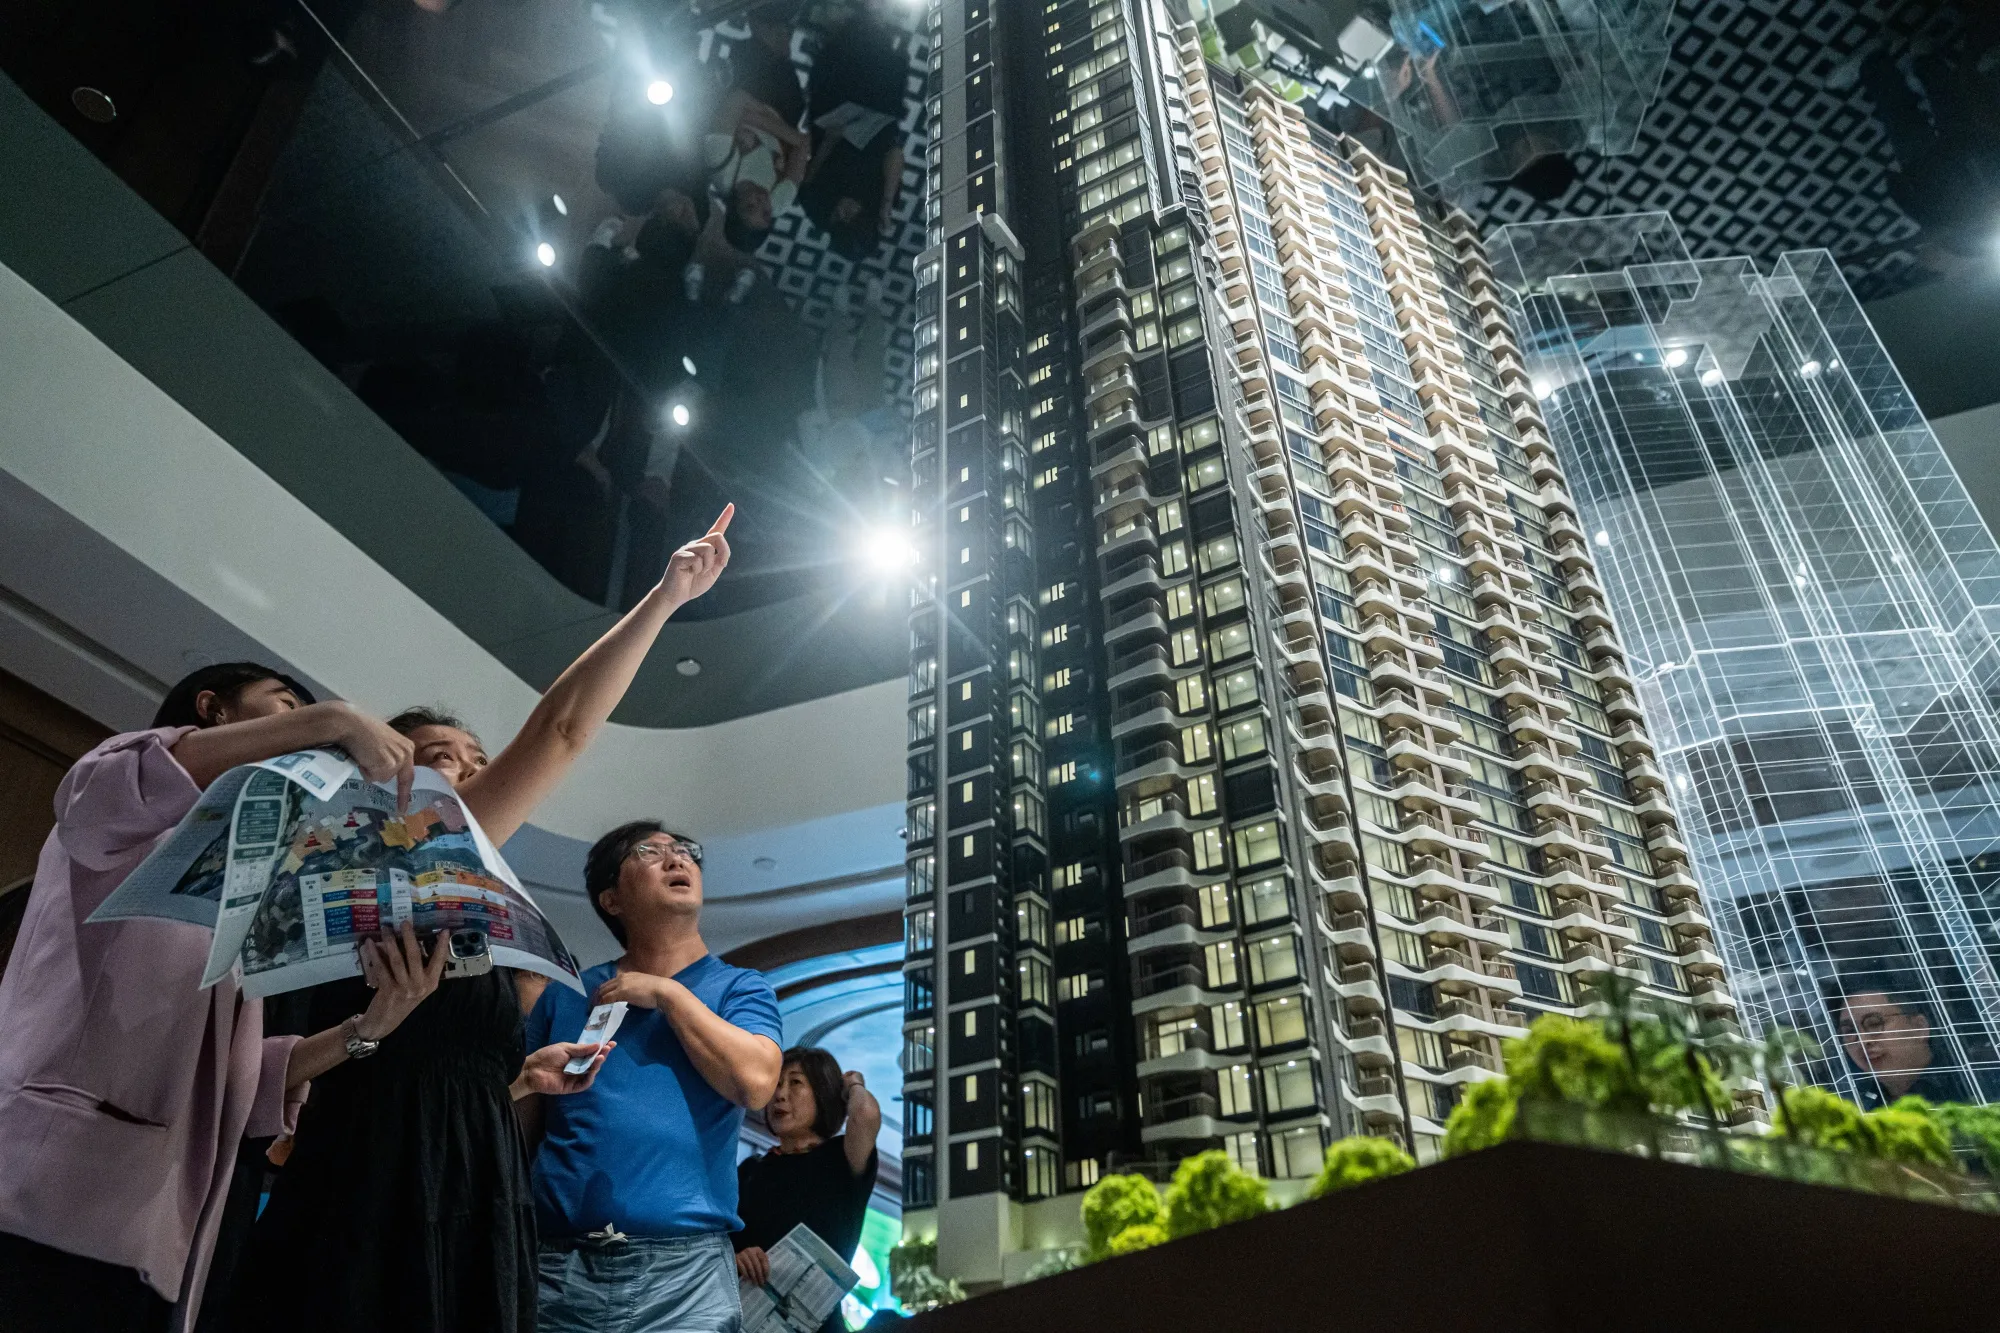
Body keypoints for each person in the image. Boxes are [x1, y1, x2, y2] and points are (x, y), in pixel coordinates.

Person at [228, 508, 736, 1333]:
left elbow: (456, 1072)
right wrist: (666, 595)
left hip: (477, 1183)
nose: (469, 777)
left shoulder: (488, 920)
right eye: (440, 761)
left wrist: (526, 1080)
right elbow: (564, 729)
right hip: (373, 1175)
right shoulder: (369, 869)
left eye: (479, 764)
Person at [0, 662, 455, 1333]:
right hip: (44, 1191)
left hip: (155, 1226)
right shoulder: (126, 804)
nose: (306, 720)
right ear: (212, 708)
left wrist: (371, 1024)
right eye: (283, 703)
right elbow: (104, 791)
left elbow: (237, 1082)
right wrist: (332, 717)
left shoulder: (255, 877)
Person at [526, 821, 784, 1333]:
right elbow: (519, 1131)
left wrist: (668, 994)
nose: (677, 859)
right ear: (612, 900)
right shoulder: (567, 994)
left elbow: (755, 1082)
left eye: (686, 851)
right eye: (650, 852)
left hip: (686, 1275)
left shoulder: (739, 987)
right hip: (558, 1265)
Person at [733, 1049, 882, 1333]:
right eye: (776, 1084)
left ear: (823, 1093)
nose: (780, 1094)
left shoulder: (841, 1159)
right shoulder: (750, 1171)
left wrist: (853, 1084)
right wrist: (737, 1257)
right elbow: (718, 1247)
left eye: (795, 1083)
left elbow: (866, 1114)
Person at [1833, 986, 1975, 1108]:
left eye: (1875, 1024)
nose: (1863, 1041)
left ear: (1920, 1027)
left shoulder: (1972, 1082)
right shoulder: (1856, 1104)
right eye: (1849, 1031)